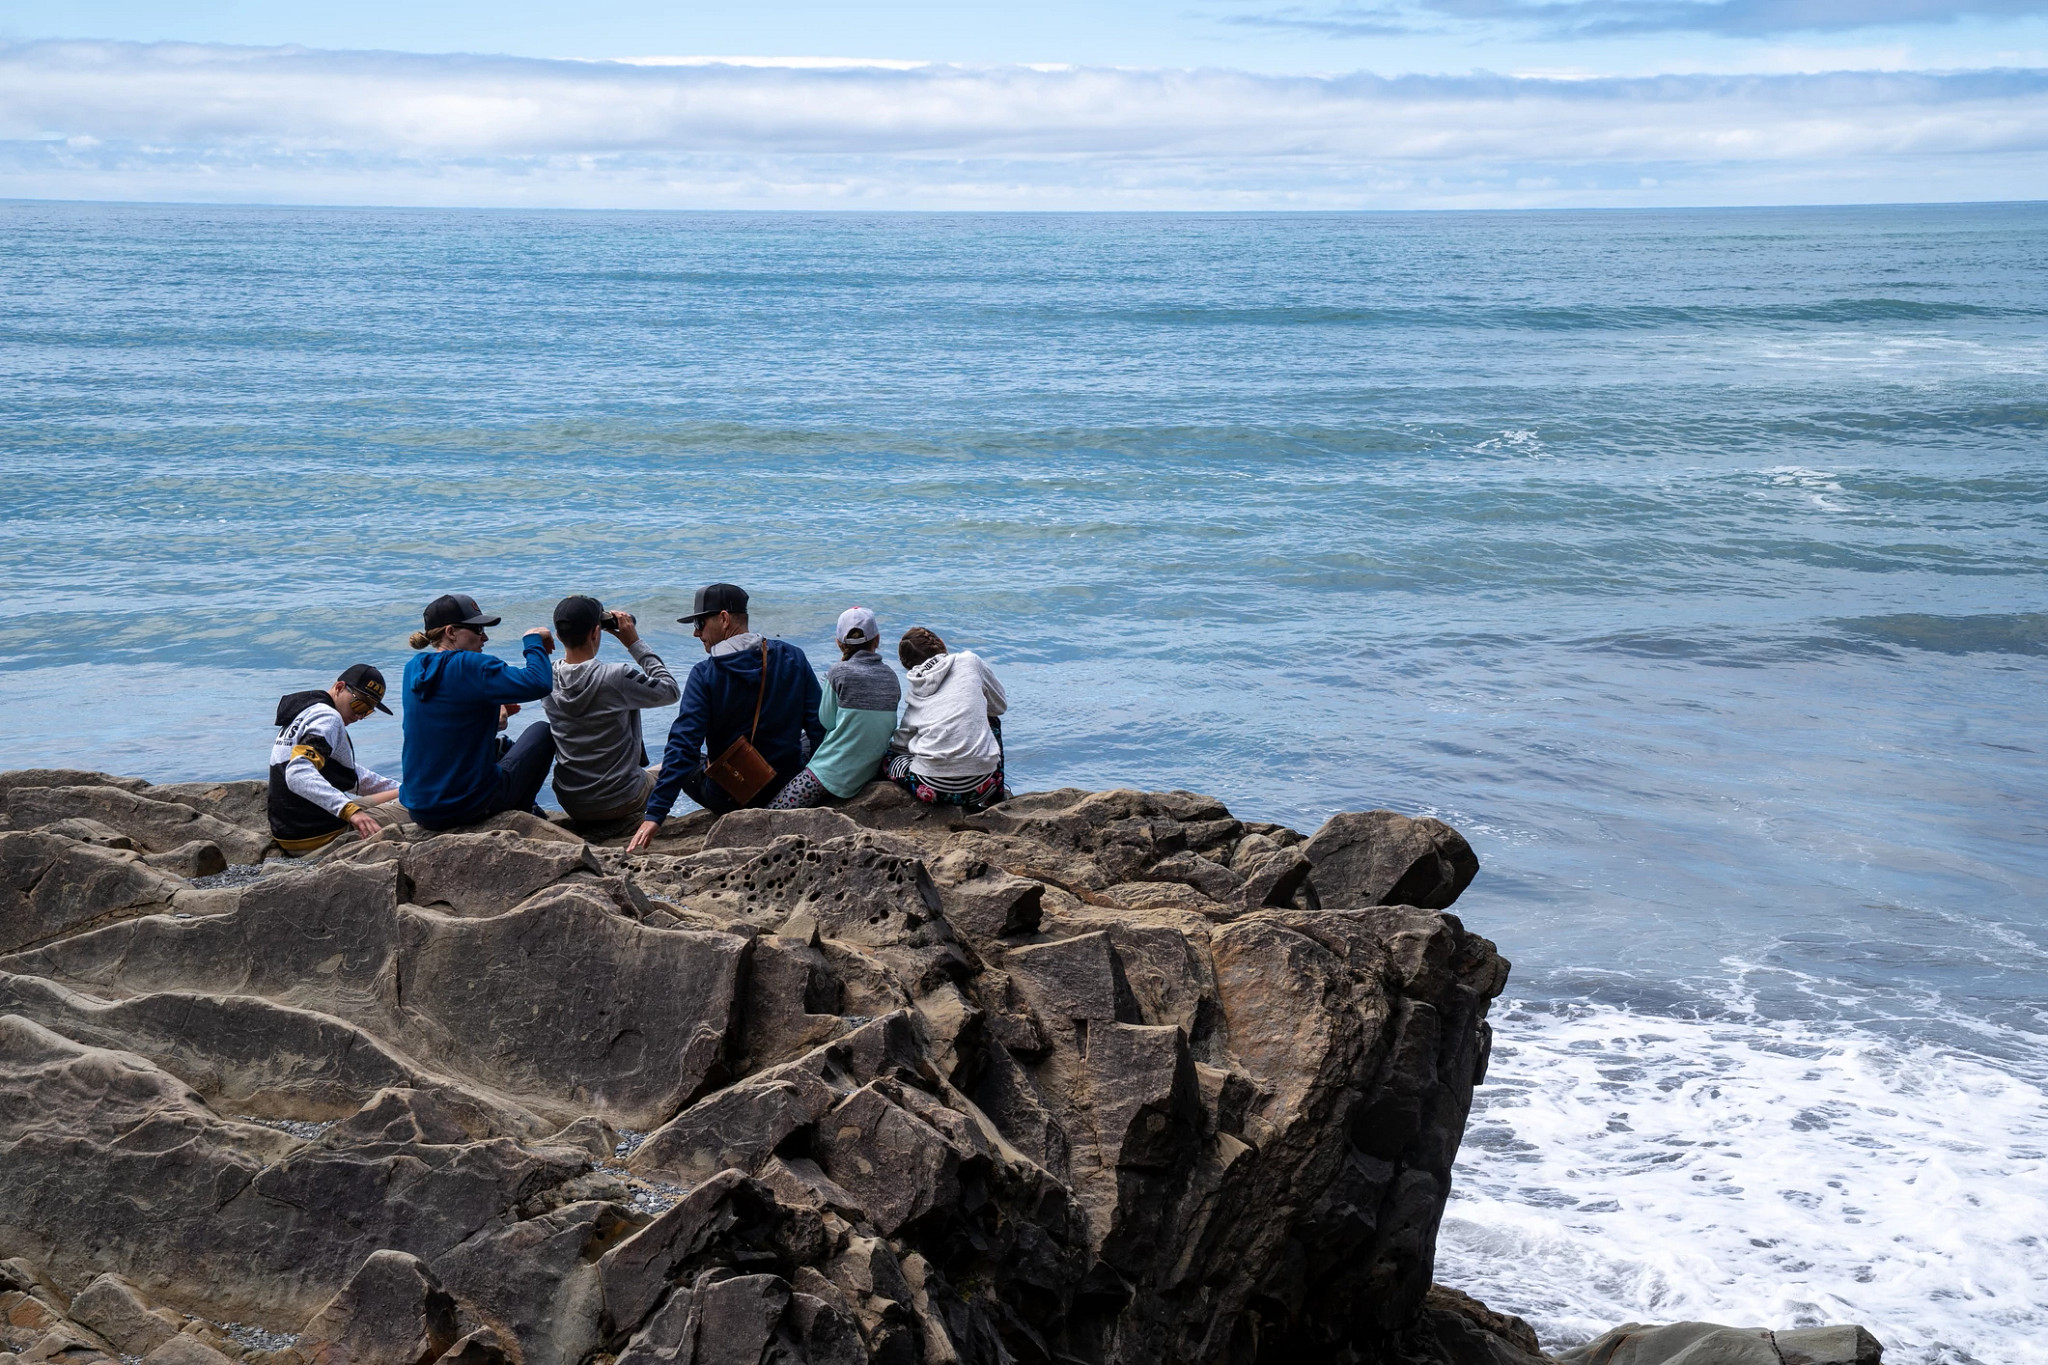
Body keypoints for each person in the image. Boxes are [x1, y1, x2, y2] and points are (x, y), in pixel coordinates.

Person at [626, 583, 823, 852]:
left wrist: (655, 815)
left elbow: (684, 747)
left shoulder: (705, 674)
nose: (696, 632)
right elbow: (818, 726)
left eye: (699, 622)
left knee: (679, 761)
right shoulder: (793, 656)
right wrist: (822, 783)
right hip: (786, 784)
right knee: (801, 740)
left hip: (731, 796)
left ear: (724, 618)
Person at [399, 593, 557, 831]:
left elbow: (443, 723)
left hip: (420, 809)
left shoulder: (413, 669)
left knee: (502, 747)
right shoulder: (470, 665)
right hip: (467, 806)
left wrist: (491, 715)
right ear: (451, 632)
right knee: (543, 732)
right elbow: (538, 682)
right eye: (478, 629)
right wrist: (533, 641)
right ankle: (522, 814)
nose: (485, 637)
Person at [543, 595, 680, 826]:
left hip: (571, 802)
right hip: (622, 799)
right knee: (683, 760)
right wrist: (634, 643)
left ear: (558, 635)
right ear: (596, 633)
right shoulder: (616, 676)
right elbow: (670, 690)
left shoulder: (545, 677)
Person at [768, 606, 902, 809]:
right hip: (870, 769)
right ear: (877, 639)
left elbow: (826, 721)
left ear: (839, 643)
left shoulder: (838, 672)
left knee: (776, 810)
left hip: (831, 772)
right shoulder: (891, 675)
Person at [267, 663, 404, 854]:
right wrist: (351, 811)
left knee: (404, 793)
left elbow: (352, 775)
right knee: (417, 806)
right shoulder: (328, 718)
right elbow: (297, 773)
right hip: (319, 834)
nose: (360, 715)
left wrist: (402, 787)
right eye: (359, 704)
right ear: (339, 687)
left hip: (290, 832)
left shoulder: (306, 712)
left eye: (368, 711)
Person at [886, 626, 1010, 812]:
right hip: (983, 786)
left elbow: (900, 745)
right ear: (942, 643)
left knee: (890, 759)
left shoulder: (915, 693)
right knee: (992, 720)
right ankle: (996, 794)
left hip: (933, 789)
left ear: (909, 666)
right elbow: (999, 707)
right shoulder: (970, 661)